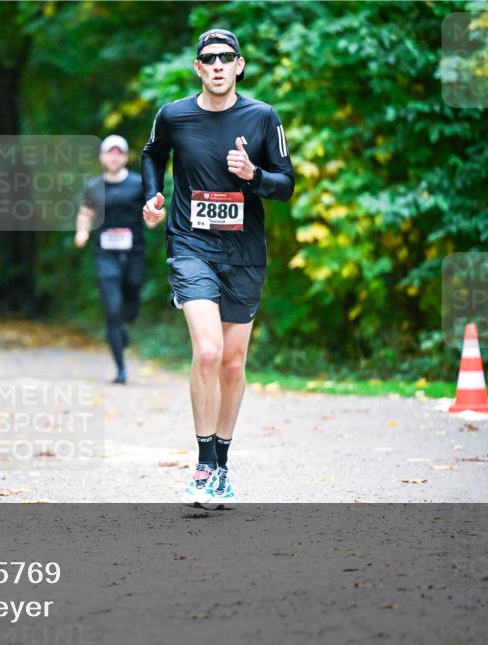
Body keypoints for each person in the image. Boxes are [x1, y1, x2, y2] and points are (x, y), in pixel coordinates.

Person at [141, 29, 295, 507]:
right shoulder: (174, 116)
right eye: (208, 59)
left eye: (226, 58)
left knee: (232, 363)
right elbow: (152, 154)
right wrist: (152, 195)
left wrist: (254, 176)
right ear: (198, 68)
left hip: (245, 255)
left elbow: (286, 185)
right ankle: (204, 465)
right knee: (207, 351)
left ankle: (223, 464)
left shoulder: (263, 117)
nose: (217, 66)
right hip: (190, 245)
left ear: (240, 65)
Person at [76, 135, 161, 384]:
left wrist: (153, 217)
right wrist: (81, 232)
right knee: (112, 309)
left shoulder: (138, 183)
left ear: (124, 157)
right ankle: (121, 368)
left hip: (134, 252)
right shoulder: (93, 187)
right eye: (109, 153)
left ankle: (124, 327)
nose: (114, 157)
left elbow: (154, 209)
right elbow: (85, 213)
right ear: (102, 157)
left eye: (119, 153)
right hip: (105, 255)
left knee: (131, 301)